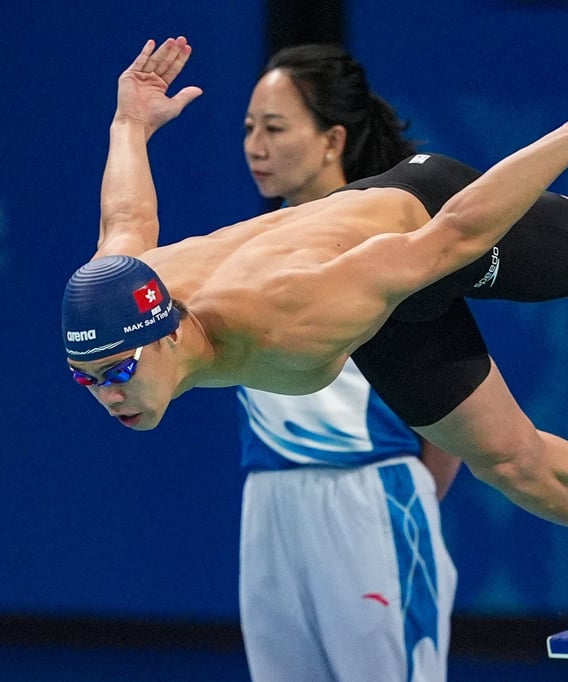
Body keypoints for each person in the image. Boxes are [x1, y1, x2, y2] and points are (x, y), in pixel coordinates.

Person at [61, 21, 568, 658]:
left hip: (421, 221)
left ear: (164, 333)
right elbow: (125, 223)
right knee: (509, 462)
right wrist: (130, 121)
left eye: (119, 370)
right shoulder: (121, 284)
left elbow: (457, 233)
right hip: (378, 301)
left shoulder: (298, 307)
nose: (108, 395)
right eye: (88, 379)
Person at [236, 44, 458, 681]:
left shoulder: (387, 244)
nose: (256, 144)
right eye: (249, 128)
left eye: (275, 128)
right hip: (268, 501)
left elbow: (462, 397)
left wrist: (405, 497)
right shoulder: (243, 246)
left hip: (371, 496)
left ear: (331, 139)